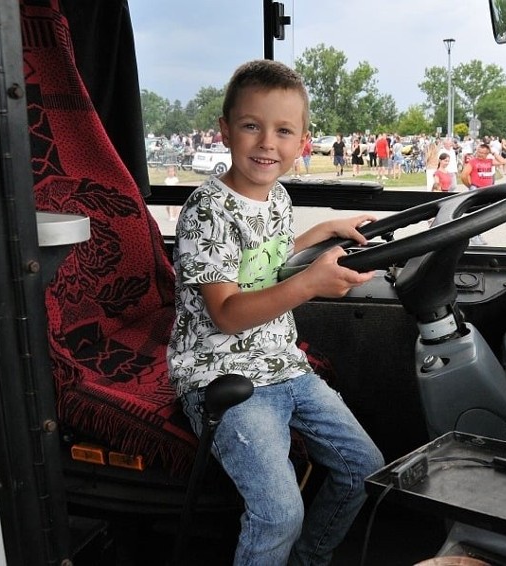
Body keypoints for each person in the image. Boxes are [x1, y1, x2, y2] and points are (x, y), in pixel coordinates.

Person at [166, 59, 384, 565]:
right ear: (225, 131)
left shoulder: (278, 198)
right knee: (280, 513)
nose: (267, 143)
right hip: (223, 376)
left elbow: (267, 259)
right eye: (251, 126)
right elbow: (226, 312)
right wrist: (311, 283)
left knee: (363, 468)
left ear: (302, 141)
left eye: (283, 130)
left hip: (283, 365)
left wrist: (322, 232)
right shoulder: (207, 211)